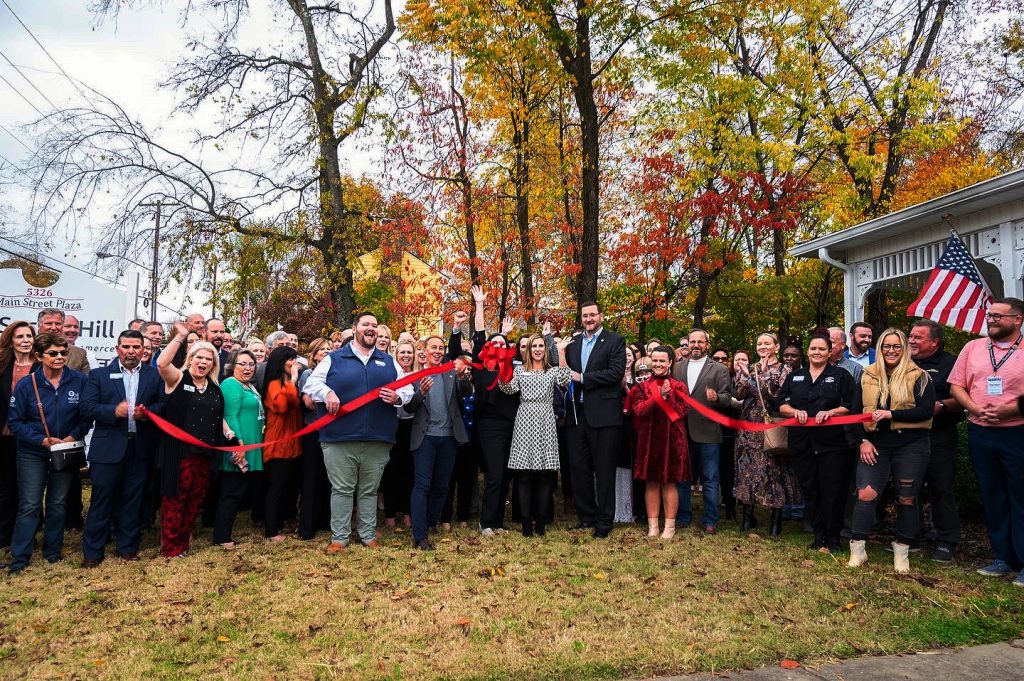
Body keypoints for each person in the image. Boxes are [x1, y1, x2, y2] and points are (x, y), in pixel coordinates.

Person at [303, 312, 412, 552]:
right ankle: (339, 537)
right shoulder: (335, 358)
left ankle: (367, 534)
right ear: (354, 329)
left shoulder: (388, 361)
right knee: (342, 489)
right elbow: (311, 384)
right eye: (365, 324)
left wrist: (398, 397)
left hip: (378, 438)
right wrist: (327, 393)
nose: (371, 328)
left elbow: (408, 388)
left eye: (374, 325)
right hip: (339, 437)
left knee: (369, 490)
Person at [948, 298, 1024, 584]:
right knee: (993, 495)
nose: (991, 320)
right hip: (980, 431)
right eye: (989, 315)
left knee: (1020, 496)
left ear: (1017, 320)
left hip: (1017, 431)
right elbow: (956, 385)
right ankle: (1003, 557)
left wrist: (1009, 410)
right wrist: (975, 408)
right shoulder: (973, 348)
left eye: (998, 316)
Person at [848, 328, 935, 573]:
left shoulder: (919, 376)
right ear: (880, 348)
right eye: (887, 346)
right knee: (865, 494)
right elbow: (855, 413)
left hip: (911, 445)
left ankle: (902, 550)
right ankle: (858, 549)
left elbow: (926, 411)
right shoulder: (867, 374)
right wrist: (862, 441)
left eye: (897, 346)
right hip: (875, 444)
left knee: (907, 497)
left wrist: (891, 414)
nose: (891, 351)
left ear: (904, 348)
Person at [7, 332, 91, 573]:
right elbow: (15, 421)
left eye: (63, 352)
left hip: (64, 450)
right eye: (53, 353)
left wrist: (73, 436)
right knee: (30, 504)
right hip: (32, 452)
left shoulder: (79, 380)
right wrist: (41, 440)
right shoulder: (27, 384)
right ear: (38, 356)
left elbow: (87, 415)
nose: (59, 357)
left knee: (57, 502)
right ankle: (20, 558)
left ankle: (52, 552)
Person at [80, 330, 165, 566]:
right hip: (107, 449)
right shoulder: (99, 375)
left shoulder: (154, 376)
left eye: (136, 347)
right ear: (117, 349)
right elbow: (87, 407)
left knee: (133, 499)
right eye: (126, 347)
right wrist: (112, 411)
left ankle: (127, 547)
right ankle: (92, 552)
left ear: (143, 350)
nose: (131, 351)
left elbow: (163, 405)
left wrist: (146, 413)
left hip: (140, 448)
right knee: (101, 500)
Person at [777, 333, 857, 553]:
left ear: (830, 352)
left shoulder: (840, 375)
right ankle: (819, 534)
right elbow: (781, 404)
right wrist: (794, 411)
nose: (817, 352)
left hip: (832, 444)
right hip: (802, 443)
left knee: (833, 490)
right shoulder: (795, 376)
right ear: (807, 351)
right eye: (813, 348)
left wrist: (832, 412)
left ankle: (834, 537)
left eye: (822, 349)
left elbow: (851, 405)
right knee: (810, 489)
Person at [156, 322, 228, 558]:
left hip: (204, 455)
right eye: (199, 357)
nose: (203, 362)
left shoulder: (215, 388)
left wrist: (229, 435)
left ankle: (183, 542)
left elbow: (218, 419)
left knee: (194, 500)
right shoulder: (178, 379)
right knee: (175, 499)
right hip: (179, 453)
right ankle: (171, 547)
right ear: (190, 358)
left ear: (213, 364)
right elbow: (162, 364)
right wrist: (181, 336)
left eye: (209, 359)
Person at [453, 287, 518, 536]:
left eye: (503, 343)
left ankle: (498, 522)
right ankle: (486, 522)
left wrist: (505, 335)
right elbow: (480, 335)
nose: (498, 345)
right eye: (495, 343)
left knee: (506, 475)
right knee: (495, 473)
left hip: (512, 425)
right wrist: (479, 304)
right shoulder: (481, 367)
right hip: (489, 426)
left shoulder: (512, 369)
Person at [564, 302, 627, 539]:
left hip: (604, 416)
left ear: (601, 316)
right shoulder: (574, 344)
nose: (588, 319)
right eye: (584, 316)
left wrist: (583, 377)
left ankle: (604, 521)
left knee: (604, 470)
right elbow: (565, 373)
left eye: (592, 315)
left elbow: (615, 373)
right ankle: (586, 517)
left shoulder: (614, 341)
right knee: (579, 469)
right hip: (577, 415)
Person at [404, 335, 473, 549]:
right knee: (422, 485)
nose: (437, 351)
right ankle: (420, 535)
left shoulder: (451, 373)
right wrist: (421, 393)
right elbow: (409, 407)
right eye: (433, 347)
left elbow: (466, 393)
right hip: (424, 438)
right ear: (423, 351)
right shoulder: (415, 376)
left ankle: (429, 522)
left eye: (441, 348)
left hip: (449, 438)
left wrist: (463, 377)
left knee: (442, 486)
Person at [499, 334, 571, 536]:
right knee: (523, 475)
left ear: (545, 350)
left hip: (546, 420)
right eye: (534, 346)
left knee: (545, 475)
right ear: (528, 350)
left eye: (541, 346)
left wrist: (562, 352)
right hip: (524, 420)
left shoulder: (551, 370)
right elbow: (508, 388)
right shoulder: (520, 370)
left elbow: (565, 379)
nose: (538, 349)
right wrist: (502, 367)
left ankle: (541, 523)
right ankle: (525, 524)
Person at [729, 333, 798, 537]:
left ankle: (775, 522)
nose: (762, 346)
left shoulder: (785, 369)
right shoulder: (750, 368)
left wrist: (765, 375)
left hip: (771, 426)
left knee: (774, 471)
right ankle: (747, 518)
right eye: (759, 343)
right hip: (748, 427)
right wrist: (744, 376)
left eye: (767, 343)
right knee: (747, 470)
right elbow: (738, 394)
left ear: (776, 347)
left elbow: (776, 396)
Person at [908, 319, 964, 562]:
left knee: (941, 487)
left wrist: (941, 405)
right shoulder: (903, 362)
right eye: (910, 336)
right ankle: (909, 536)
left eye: (917, 337)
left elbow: (964, 398)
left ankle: (946, 540)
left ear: (934, 342)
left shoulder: (951, 364)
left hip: (939, 435)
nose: (911, 341)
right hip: (909, 436)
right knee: (908, 487)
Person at [673, 328, 732, 534]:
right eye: (692, 341)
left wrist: (717, 397)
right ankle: (683, 515)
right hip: (682, 431)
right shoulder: (677, 367)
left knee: (710, 478)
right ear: (687, 344)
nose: (696, 345)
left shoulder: (719, 369)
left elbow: (727, 398)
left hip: (708, 432)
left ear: (707, 345)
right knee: (683, 478)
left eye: (700, 342)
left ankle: (710, 520)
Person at [628, 345, 690, 539]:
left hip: (672, 441)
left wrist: (668, 396)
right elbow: (639, 410)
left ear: (670, 362)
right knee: (651, 484)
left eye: (662, 361)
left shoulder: (679, 386)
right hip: (649, 441)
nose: (658, 364)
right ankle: (653, 525)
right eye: (654, 360)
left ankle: (670, 526)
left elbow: (681, 412)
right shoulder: (641, 387)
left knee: (669, 484)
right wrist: (658, 397)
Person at [212, 349, 265, 549]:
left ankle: (224, 533)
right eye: (242, 364)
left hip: (252, 446)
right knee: (231, 493)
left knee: (239, 491)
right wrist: (239, 446)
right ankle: (222, 536)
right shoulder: (231, 384)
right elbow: (229, 416)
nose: (248, 368)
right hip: (238, 447)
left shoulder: (249, 386)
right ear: (232, 366)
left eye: (251, 364)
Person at [261, 346, 303, 542]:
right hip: (278, 443)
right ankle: (271, 531)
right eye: (290, 359)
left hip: (292, 443)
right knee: (276, 487)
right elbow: (281, 406)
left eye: (295, 359)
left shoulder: (287, 383)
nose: (294, 363)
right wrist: (293, 380)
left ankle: (283, 521)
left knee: (287, 487)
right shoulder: (274, 384)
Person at [0, 322, 34, 550]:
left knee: (28, 489)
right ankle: (4, 535)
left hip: (30, 435)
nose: (25, 340)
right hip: (4, 435)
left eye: (29, 336)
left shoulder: (41, 367)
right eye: (20, 336)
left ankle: (27, 535)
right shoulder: (2, 366)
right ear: (10, 341)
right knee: (6, 486)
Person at [297, 338, 332, 540]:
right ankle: (307, 527)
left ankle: (325, 521)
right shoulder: (308, 374)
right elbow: (309, 403)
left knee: (328, 477)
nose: (326, 352)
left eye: (329, 349)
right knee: (311, 478)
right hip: (312, 431)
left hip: (331, 431)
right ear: (314, 354)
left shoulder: (334, 373)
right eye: (322, 349)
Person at [381, 339, 417, 530]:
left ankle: (408, 512)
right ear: (396, 355)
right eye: (402, 352)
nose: (406, 355)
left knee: (409, 471)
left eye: (409, 352)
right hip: (392, 425)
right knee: (391, 470)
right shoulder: (390, 374)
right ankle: (390, 513)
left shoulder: (419, 375)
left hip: (412, 426)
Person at [37, 309, 90, 374]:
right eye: (49, 324)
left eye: (58, 324)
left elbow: (86, 379)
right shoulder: (28, 349)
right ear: (39, 326)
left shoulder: (79, 354)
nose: (54, 328)